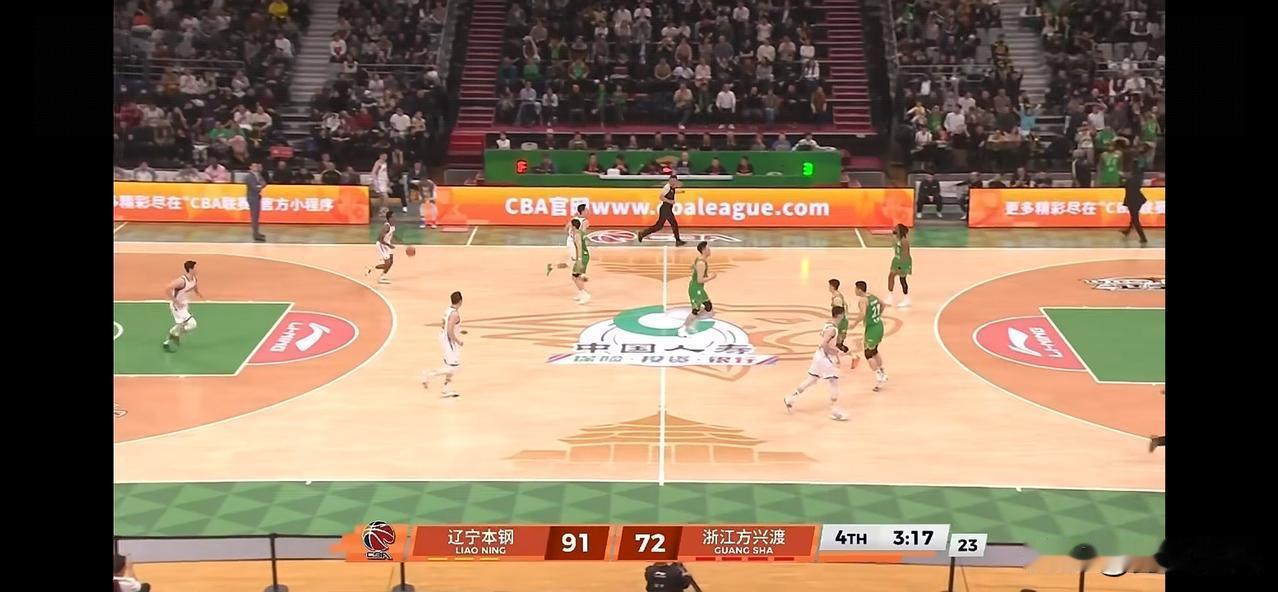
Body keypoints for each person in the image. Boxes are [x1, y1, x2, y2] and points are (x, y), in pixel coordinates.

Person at [783, 305, 851, 421]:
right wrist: (835, 353)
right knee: (834, 381)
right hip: (825, 358)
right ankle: (834, 411)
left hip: (819, 356)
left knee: (811, 379)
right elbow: (825, 344)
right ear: (840, 315)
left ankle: (791, 398)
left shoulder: (828, 324)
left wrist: (838, 352)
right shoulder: (832, 329)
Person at [422, 291, 464, 398]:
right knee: (454, 367)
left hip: (443, 339)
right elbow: (449, 330)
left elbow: (450, 326)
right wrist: (458, 341)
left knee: (449, 365)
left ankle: (446, 389)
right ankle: (429, 374)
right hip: (449, 341)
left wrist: (459, 330)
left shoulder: (448, 310)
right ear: (460, 301)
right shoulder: (455, 314)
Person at [848, 280, 888, 391]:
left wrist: (854, 324)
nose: (855, 290)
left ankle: (879, 378)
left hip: (872, 329)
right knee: (874, 351)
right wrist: (878, 315)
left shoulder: (863, 300)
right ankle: (883, 373)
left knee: (868, 354)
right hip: (878, 325)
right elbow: (883, 304)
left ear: (859, 290)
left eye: (856, 288)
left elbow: (862, 314)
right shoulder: (872, 296)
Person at [162, 260, 202, 352]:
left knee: (180, 325)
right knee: (192, 324)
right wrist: (176, 301)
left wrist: (200, 295)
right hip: (177, 307)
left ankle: (167, 342)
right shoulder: (181, 281)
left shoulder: (194, 279)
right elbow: (167, 289)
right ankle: (176, 336)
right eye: (195, 268)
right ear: (191, 269)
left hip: (184, 305)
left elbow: (194, 287)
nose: (197, 269)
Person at [678, 241, 716, 337]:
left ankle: (691, 323)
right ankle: (683, 328)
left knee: (708, 307)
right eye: (708, 248)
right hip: (696, 289)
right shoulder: (701, 263)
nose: (710, 250)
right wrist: (711, 277)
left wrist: (694, 270)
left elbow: (692, 267)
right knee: (696, 310)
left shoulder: (700, 259)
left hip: (698, 288)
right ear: (703, 250)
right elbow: (700, 280)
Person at [636, 174, 686, 245]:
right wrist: (670, 201)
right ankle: (678, 241)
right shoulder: (667, 187)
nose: (672, 182)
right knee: (674, 224)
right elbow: (661, 197)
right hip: (665, 209)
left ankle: (642, 234)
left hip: (667, 209)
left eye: (674, 181)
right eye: (671, 181)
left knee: (659, 226)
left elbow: (671, 192)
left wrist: (680, 192)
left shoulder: (672, 187)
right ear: (669, 180)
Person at [549, 203, 588, 275]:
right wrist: (574, 234)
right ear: (582, 211)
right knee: (576, 259)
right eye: (586, 210)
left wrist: (571, 233)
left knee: (570, 263)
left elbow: (565, 229)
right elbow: (582, 233)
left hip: (573, 241)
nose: (587, 212)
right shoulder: (584, 222)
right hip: (572, 242)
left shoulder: (573, 219)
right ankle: (577, 274)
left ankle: (552, 266)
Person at [365, 209, 397, 284]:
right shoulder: (386, 227)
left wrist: (398, 240)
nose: (395, 218)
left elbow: (390, 235)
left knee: (391, 262)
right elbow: (380, 239)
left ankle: (382, 276)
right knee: (387, 263)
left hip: (387, 244)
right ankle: (371, 269)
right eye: (393, 217)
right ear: (390, 218)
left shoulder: (393, 226)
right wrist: (389, 245)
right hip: (382, 245)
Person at [885, 225, 912, 307]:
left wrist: (902, 266)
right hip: (896, 260)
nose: (894, 229)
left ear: (900, 231)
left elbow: (906, 255)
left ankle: (906, 299)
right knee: (891, 276)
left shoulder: (904, 241)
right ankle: (890, 297)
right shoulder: (897, 239)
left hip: (903, 262)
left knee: (902, 279)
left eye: (896, 229)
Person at [1121, 169, 1149, 244]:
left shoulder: (1130, 181)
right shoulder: (1137, 180)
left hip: (1133, 202)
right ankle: (1127, 231)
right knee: (1133, 217)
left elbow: (1125, 184)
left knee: (1135, 219)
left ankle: (1143, 238)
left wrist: (1123, 177)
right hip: (1137, 201)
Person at [828, 279, 853, 357]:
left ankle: (851, 357)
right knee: (838, 343)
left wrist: (836, 322)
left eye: (829, 286)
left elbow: (839, 311)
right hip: (842, 320)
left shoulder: (837, 298)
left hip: (841, 322)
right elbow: (846, 305)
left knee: (838, 344)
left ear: (832, 287)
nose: (828, 287)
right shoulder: (838, 295)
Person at [570, 218, 591, 304]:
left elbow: (579, 247)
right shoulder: (580, 232)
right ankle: (581, 293)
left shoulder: (577, 235)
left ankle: (585, 294)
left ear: (573, 226)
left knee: (575, 276)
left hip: (582, 256)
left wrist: (579, 259)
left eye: (571, 225)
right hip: (583, 255)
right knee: (576, 276)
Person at [245, 162, 267, 242]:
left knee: (256, 217)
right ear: (250, 167)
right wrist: (260, 186)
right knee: (254, 217)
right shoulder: (249, 176)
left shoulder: (258, 175)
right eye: (254, 166)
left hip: (257, 197)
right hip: (252, 198)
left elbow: (264, 183)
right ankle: (255, 234)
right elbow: (254, 188)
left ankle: (257, 232)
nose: (256, 167)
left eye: (256, 166)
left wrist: (260, 186)